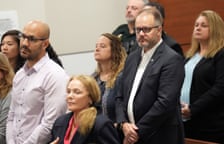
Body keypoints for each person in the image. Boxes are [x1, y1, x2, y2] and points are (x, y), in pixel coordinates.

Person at [115, 8, 185, 144]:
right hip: (130, 133)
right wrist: (123, 123)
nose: (141, 34)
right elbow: (119, 95)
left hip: (158, 136)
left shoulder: (171, 59)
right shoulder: (132, 57)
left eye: (146, 29)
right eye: (138, 30)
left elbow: (165, 103)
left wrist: (137, 132)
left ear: (159, 30)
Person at [6, 20, 69, 144]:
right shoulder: (19, 74)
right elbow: (11, 115)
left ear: (45, 44)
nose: (24, 43)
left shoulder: (55, 75)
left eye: (31, 39)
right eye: (23, 37)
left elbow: (50, 122)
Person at [181, 10, 224, 143]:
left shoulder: (220, 54)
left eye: (204, 25)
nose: (198, 28)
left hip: (210, 123)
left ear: (215, 29)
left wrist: (193, 109)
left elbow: (220, 88)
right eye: (196, 25)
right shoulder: (190, 56)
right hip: (186, 121)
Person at [50, 75, 121, 144]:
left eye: (77, 92)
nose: (70, 96)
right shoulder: (60, 122)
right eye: (68, 92)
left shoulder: (101, 125)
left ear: (90, 98)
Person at [92, 33, 127, 122]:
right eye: (96, 46)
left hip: (116, 130)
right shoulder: (93, 78)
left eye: (102, 46)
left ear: (114, 51)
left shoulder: (123, 77)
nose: (97, 49)